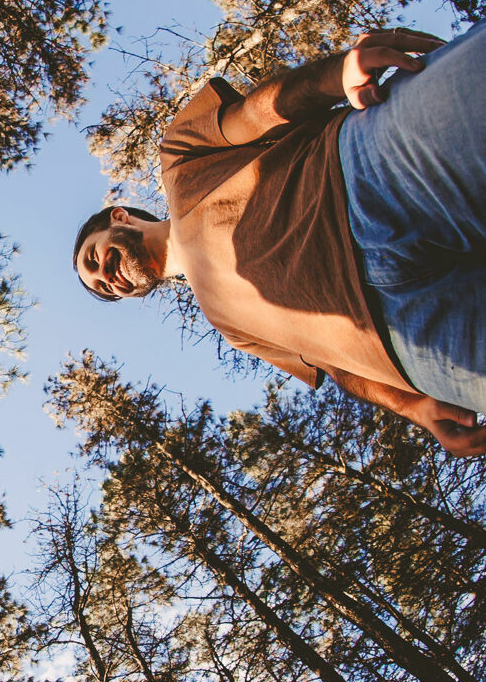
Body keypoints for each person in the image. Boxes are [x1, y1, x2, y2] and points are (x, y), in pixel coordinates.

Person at [72, 23, 486, 457]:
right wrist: (413, 406)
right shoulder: (231, 330)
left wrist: (336, 74)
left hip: (364, 179)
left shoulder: (178, 163)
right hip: (402, 336)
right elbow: (334, 367)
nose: (105, 275)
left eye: (93, 259)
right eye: (103, 287)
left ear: (118, 217)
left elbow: (254, 114)